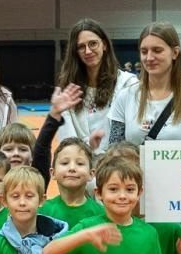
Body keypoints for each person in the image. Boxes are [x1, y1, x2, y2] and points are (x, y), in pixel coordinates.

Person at [107, 22, 181, 145]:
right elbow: (114, 150)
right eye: (144, 51)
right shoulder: (125, 97)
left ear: (175, 53)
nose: (149, 58)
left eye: (157, 50)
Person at [55, 19, 136, 153]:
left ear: (104, 45)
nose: (88, 51)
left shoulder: (128, 84)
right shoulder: (68, 91)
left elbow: (132, 135)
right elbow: (67, 142)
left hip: (117, 161)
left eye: (93, 44)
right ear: (75, 52)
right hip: (80, 161)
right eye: (81, 47)